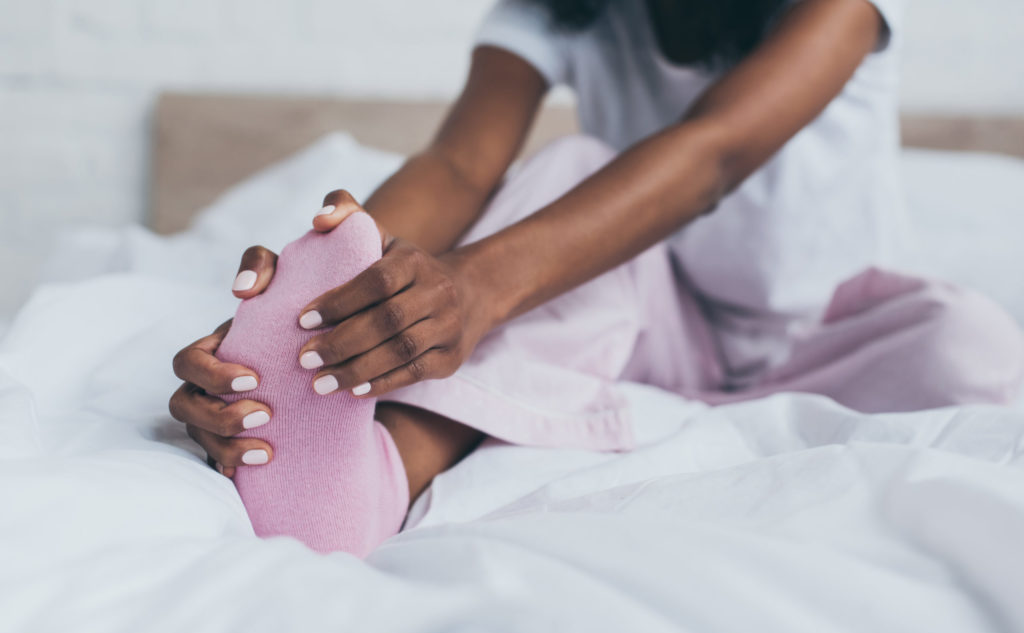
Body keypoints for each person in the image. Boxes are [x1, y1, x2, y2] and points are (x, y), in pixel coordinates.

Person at [168, 0, 1024, 555]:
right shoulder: (559, 15)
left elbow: (711, 155)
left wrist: (474, 288)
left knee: (973, 347)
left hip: (838, 337)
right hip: (659, 325)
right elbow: (460, 165)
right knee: (573, 164)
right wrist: (312, 313)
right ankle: (380, 468)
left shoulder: (840, 9)